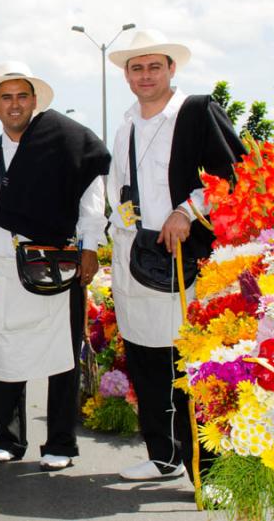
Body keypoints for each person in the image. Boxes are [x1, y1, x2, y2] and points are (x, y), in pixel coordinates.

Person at [105, 30, 245, 481]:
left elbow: (235, 172)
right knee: (146, 361)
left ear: (171, 69)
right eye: (136, 68)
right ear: (126, 76)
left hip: (189, 259)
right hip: (138, 258)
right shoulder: (126, 122)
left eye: (154, 67)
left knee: (193, 365)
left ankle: (210, 470)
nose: (145, 76)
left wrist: (187, 209)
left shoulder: (197, 111)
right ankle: (163, 456)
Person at [0, 62, 110, 470]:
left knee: (62, 355)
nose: (15, 105)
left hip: (56, 264)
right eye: (6, 97)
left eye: (22, 96)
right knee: (2, 351)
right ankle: (8, 439)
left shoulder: (64, 145)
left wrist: (89, 247)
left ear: (34, 101)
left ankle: (61, 443)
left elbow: (90, 198)